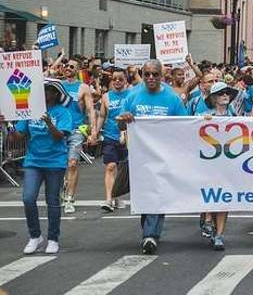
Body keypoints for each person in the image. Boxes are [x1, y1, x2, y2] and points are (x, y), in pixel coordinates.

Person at [118, 60, 188, 255]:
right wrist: (123, 119)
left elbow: (184, 127)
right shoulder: (132, 96)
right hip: (139, 155)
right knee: (144, 196)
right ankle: (149, 231)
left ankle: (150, 235)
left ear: (161, 76)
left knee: (158, 194)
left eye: (155, 74)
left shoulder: (172, 99)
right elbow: (121, 126)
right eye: (146, 74)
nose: (150, 78)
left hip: (163, 156)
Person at [3, 79, 72, 254]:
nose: (45, 93)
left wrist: (49, 123)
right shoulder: (31, 111)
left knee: (52, 201)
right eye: (43, 90)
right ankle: (35, 236)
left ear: (56, 94)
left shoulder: (63, 113)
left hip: (55, 161)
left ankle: (53, 238)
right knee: (28, 198)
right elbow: (17, 137)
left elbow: (59, 137)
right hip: (34, 161)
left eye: (48, 90)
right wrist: (8, 126)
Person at [198, 82, 240, 250]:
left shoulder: (235, 116)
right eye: (221, 93)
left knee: (224, 198)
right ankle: (208, 219)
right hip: (210, 163)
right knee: (211, 192)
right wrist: (203, 121)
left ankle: (219, 236)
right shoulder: (205, 115)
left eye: (227, 93)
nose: (225, 96)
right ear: (214, 98)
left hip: (228, 163)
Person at [61, 58, 96, 215]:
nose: (68, 68)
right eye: (66, 66)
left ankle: (69, 198)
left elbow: (90, 110)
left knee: (73, 163)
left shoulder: (83, 87)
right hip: (59, 130)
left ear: (78, 70)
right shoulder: (58, 86)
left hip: (76, 130)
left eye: (71, 66)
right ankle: (63, 184)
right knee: (59, 165)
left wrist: (93, 130)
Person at [94, 68, 130, 212]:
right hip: (110, 136)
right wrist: (95, 132)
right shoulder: (106, 97)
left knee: (122, 169)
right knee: (110, 166)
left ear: (125, 80)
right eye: (114, 79)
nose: (117, 82)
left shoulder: (131, 94)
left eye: (120, 79)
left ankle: (117, 195)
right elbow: (102, 116)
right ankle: (109, 199)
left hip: (127, 137)